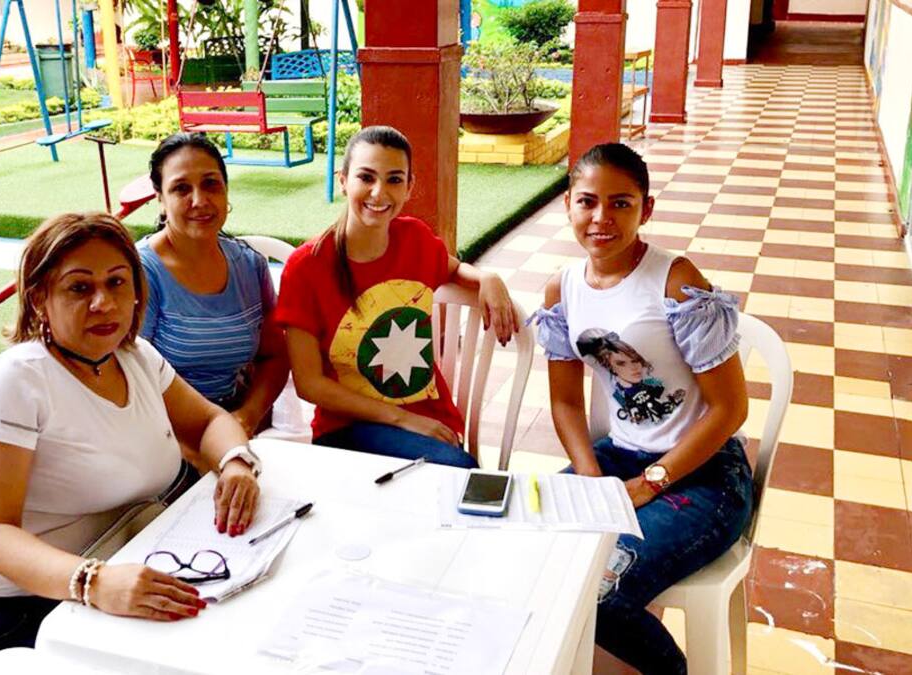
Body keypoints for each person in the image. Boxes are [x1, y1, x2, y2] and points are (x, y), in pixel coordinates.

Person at [0, 212, 262, 674]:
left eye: (117, 283)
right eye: (79, 288)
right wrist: (94, 582)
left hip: (115, 573)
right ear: (39, 298)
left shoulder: (135, 358)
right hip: (1, 618)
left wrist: (235, 462)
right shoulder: (11, 383)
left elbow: (208, 421)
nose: (104, 303)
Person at [530, 143, 752, 675]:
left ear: (645, 209)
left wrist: (650, 483)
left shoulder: (675, 280)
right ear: (568, 204)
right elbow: (564, 402)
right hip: (618, 457)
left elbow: (731, 409)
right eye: (588, 201)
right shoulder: (562, 288)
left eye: (621, 203)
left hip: (704, 473)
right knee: (530, 548)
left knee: (604, 594)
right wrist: (590, 475)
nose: (601, 218)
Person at [275, 125, 517, 468]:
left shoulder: (415, 239)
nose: (379, 192)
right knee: (457, 471)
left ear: (409, 187)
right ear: (343, 181)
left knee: (455, 475)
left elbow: (452, 269)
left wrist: (487, 277)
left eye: (394, 180)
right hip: (347, 428)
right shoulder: (306, 267)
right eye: (366, 177)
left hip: (430, 421)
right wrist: (402, 419)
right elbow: (309, 384)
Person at [138, 133, 289, 463]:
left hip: (231, 427)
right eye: (181, 189)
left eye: (211, 184)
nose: (199, 200)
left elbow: (275, 355)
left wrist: (245, 418)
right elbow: (128, 380)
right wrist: (201, 451)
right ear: (160, 199)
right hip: (160, 436)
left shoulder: (249, 265)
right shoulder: (141, 274)